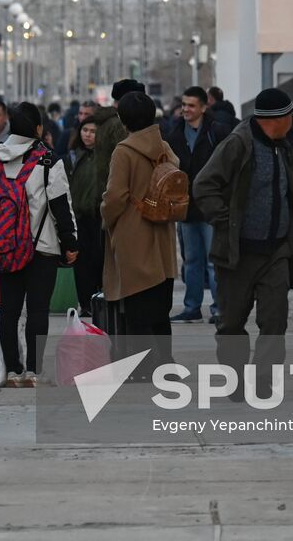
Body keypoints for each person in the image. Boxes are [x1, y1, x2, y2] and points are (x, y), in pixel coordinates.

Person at [193, 87, 293, 401]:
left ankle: (261, 381)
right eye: (290, 116)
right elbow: (203, 186)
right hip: (238, 253)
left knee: (275, 321)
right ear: (276, 119)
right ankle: (235, 381)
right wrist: (226, 220)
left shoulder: (283, 147)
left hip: (277, 251)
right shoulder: (238, 144)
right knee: (231, 324)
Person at [0, 104, 78, 386]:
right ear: (38, 129)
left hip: (5, 246)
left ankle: (13, 370)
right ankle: (34, 371)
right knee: (37, 309)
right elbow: (61, 206)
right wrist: (70, 241)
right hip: (42, 246)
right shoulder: (49, 160)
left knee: (8, 308)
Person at [101, 91, 182, 377]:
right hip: (162, 234)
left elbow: (115, 197)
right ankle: (166, 360)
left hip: (133, 235)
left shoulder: (124, 151)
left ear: (123, 120)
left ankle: (143, 365)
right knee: (160, 306)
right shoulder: (164, 147)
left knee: (136, 304)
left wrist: (106, 218)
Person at [163, 86, 231, 323]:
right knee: (192, 261)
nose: (186, 110)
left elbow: (229, 167)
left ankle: (219, 307)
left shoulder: (217, 132)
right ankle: (192, 306)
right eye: (183, 105)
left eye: (191, 105)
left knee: (214, 262)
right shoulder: (175, 135)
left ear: (203, 107)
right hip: (186, 209)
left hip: (212, 208)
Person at [68, 117, 106, 311]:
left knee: (99, 259)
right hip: (78, 217)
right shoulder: (73, 156)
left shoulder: (105, 157)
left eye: (93, 131)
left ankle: (99, 300)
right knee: (81, 263)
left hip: (99, 217)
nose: (88, 134)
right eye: (85, 130)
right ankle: (85, 303)